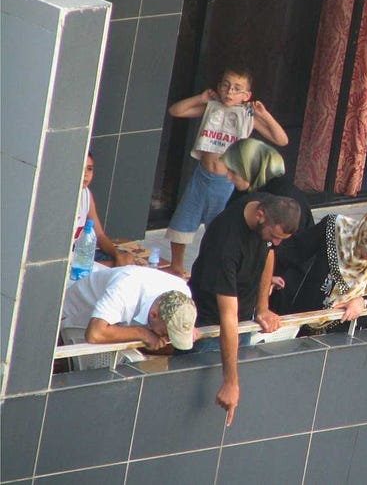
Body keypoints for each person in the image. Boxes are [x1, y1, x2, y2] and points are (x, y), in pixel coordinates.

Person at [188, 194, 301, 426]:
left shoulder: (267, 211)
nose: (276, 242)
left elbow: (269, 252)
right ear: (260, 216)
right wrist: (230, 382)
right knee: (204, 407)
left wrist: (263, 307)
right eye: (274, 236)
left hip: (244, 318)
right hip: (210, 324)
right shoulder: (226, 242)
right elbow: (227, 317)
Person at [165, 66, 289, 277]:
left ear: (246, 95)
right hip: (201, 176)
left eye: (237, 88)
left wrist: (265, 115)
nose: (230, 92)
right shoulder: (211, 106)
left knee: (218, 229)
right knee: (183, 220)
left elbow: (282, 139)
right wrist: (200, 98)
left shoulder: (248, 115)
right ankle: (177, 265)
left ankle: (210, 268)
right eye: (226, 85)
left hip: (225, 182)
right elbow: (175, 111)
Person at [274, 207, 367, 335]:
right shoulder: (335, 229)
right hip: (305, 316)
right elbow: (294, 250)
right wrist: (269, 275)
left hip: (344, 329)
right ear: (363, 235)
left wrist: (362, 301)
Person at [221, 138, 315, 314]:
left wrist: (264, 278)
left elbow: (283, 249)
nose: (228, 177)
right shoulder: (253, 186)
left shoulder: (283, 200)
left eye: (234, 172)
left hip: (280, 284)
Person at [62, 265, 197, 351]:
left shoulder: (183, 292)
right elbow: (95, 334)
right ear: (154, 314)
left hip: (111, 321)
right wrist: (142, 333)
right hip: (71, 321)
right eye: (166, 333)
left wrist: (185, 330)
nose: (168, 338)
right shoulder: (125, 289)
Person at [75, 153, 134, 267]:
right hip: (69, 258)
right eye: (82, 168)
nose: (86, 174)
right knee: (113, 267)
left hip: (81, 251)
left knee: (128, 258)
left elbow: (100, 235)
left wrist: (117, 256)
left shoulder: (86, 194)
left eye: (90, 169)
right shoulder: (62, 198)